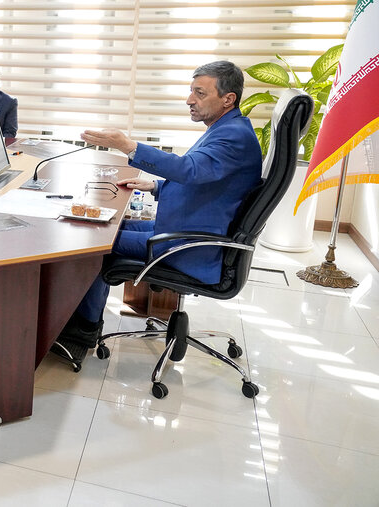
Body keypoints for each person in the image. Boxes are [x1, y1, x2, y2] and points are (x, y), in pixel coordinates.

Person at [53, 60, 262, 352]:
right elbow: (207, 180)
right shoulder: (229, 128)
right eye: (191, 91)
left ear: (228, 99)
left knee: (93, 241)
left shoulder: (233, 136)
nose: (189, 100)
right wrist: (155, 186)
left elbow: (188, 170)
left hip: (188, 245)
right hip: (187, 228)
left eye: (200, 93)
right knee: (105, 224)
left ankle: (82, 331)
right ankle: (82, 320)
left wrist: (129, 146)